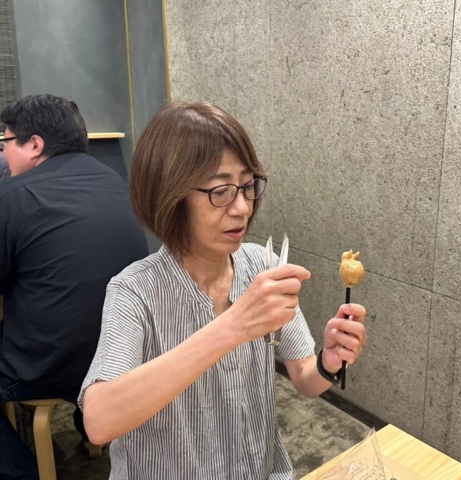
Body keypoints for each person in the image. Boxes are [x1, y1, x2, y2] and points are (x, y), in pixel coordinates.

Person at [79, 102, 368, 479]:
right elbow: (99, 421)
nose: (242, 208)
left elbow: (304, 376)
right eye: (220, 191)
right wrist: (233, 326)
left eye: (247, 186)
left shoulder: (263, 266)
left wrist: (329, 361)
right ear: (170, 196)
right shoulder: (135, 292)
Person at [0, 94, 149, 479]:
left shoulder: (13, 197)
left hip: (52, 367)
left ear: (34, 145)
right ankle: (89, 427)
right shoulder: (116, 182)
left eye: (5, 142)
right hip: (125, 355)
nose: (3, 154)